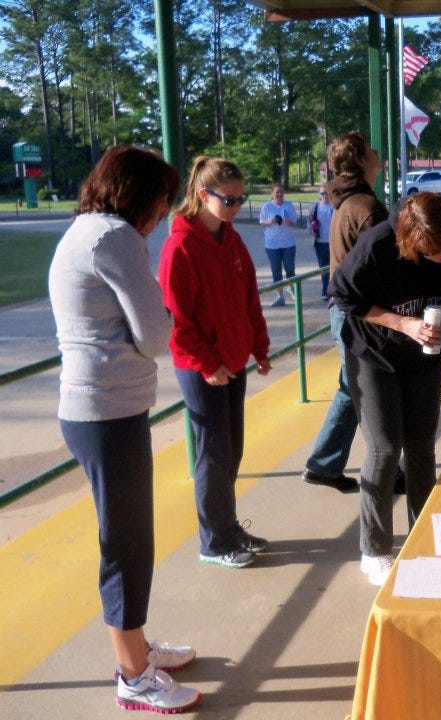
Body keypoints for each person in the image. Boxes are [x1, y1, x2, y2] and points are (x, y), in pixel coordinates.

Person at [48, 145, 200, 713]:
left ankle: (137, 647)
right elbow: (156, 335)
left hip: (99, 411)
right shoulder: (114, 237)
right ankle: (133, 676)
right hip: (106, 414)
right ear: (140, 195)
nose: (163, 212)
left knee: (130, 540)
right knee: (127, 546)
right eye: (162, 199)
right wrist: (162, 315)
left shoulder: (85, 230)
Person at [330, 192, 441, 585]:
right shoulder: (378, 244)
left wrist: (437, 312)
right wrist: (405, 323)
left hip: (426, 354)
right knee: (384, 447)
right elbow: (343, 298)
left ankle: (422, 533)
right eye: (432, 252)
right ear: (410, 241)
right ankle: (375, 549)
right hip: (373, 352)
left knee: (421, 445)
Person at [158, 156, 272, 569]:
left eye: (243, 199)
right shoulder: (181, 246)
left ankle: (228, 527)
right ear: (203, 195)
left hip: (233, 359)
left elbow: (248, 300)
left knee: (233, 449)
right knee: (213, 454)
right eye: (230, 200)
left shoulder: (231, 238)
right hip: (201, 367)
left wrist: (259, 347)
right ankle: (214, 540)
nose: (238, 208)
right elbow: (178, 321)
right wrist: (208, 364)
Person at [301, 131, 388, 492]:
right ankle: (383, 465)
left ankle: (324, 464)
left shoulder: (349, 204)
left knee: (351, 388)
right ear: (360, 161)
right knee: (370, 389)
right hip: (362, 314)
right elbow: (383, 266)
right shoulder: (365, 208)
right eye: (371, 149)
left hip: (348, 311)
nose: (378, 152)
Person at [259, 183, 299, 307]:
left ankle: (292, 290)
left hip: (288, 243)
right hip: (272, 245)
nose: (279, 194)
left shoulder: (289, 205)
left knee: (290, 269)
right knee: (276, 271)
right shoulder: (267, 206)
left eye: (281, 192)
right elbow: (261, 222)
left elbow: (295, 223)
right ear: (272, 193)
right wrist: (270, 221)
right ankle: (280, 296)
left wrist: (288, 221)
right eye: (277, 192)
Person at [309, 187, 335, 299]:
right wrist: (312, 230)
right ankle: (325, 291)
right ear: (319, 195)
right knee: (323, 268)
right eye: (322, 193)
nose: (325, 195)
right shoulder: (315, 207)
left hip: (333, 242)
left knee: (334, 267)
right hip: (320, 242)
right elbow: (309, 222)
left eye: (327, 193)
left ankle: (334, 292)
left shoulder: (334, 206)